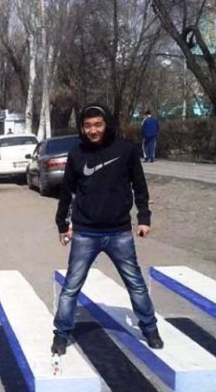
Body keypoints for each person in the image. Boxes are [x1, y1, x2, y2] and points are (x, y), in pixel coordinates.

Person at [51, 103, 163, 359]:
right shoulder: (77, 154)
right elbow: (66, 191)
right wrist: (62, 224)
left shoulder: (125, 150)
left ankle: (150, 328)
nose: (93, 130)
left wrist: (143, 218)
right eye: (88, 125)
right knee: (71, 287)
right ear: (82, 127)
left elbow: (140, 186)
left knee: (135, 284)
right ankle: (61, 333)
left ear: (107, 124)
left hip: (119, 232)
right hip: (85, 232)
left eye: (98, 125)